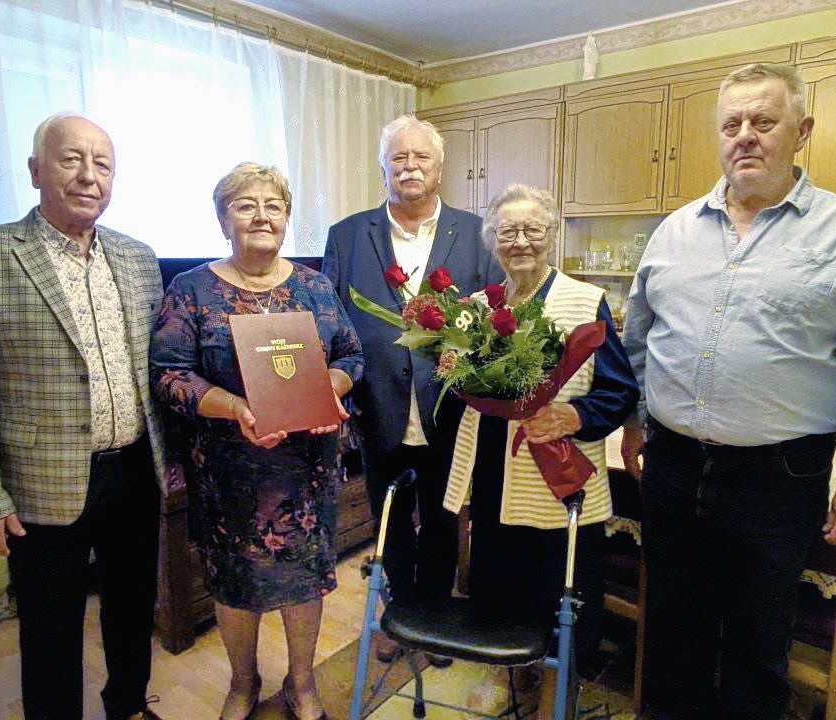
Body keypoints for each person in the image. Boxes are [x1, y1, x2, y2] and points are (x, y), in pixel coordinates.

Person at [621, 62, 836, 720]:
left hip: (778, 474)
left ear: (801, 131)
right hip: (673, 463)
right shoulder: (673, 231)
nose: (745, 135)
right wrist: (635, 419)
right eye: (731, 124)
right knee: (672, 629)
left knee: (758, 640)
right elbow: (639, 337)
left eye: (763, 121)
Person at [0, 113, 167, 720]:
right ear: (35, 170)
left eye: (103, 163)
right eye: (71, 159)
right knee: (50, 629)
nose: (89, 175)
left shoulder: (138, 257)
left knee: (132, 608)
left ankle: (127, 705)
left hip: (134, 471)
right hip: (40, 483)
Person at [150, 162, 363, 720]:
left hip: (307, 470)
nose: (262, 216)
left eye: (274, 205)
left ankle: (302, 683)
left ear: (287, 218)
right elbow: (169, 375)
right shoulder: (191, 290)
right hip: (230, 475)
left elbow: (350, 356)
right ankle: (243, 683)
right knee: (235, 582)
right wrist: (236, 407)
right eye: (245, 205)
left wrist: (331, 390)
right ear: (223, 220)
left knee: (305, 581)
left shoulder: (315, 286)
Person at [441, 183, 639, 719]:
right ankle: (509, 674)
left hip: (559, 474)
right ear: (492, 242)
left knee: (561, 586)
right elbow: (462, 389)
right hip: (495, 470)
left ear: (551, 236)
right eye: (508, 231)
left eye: (532, 229)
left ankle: (559, 683)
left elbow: (619, 390)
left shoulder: (585, 300)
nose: (521, 241)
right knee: (498, 580)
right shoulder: (477, 308)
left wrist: (574, 415)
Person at [322, 115, 503, 638]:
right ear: (383, 170)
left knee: (445, 519)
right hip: (378, 407)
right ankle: (400, 617)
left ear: (440, 167)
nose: (410, 167)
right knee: (390, 521)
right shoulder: (347, 236)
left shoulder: (477, 234)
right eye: (398, 158)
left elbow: (497, 318)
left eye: (421, 156)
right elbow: (329, 325)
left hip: (452, 410)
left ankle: (437, 616)